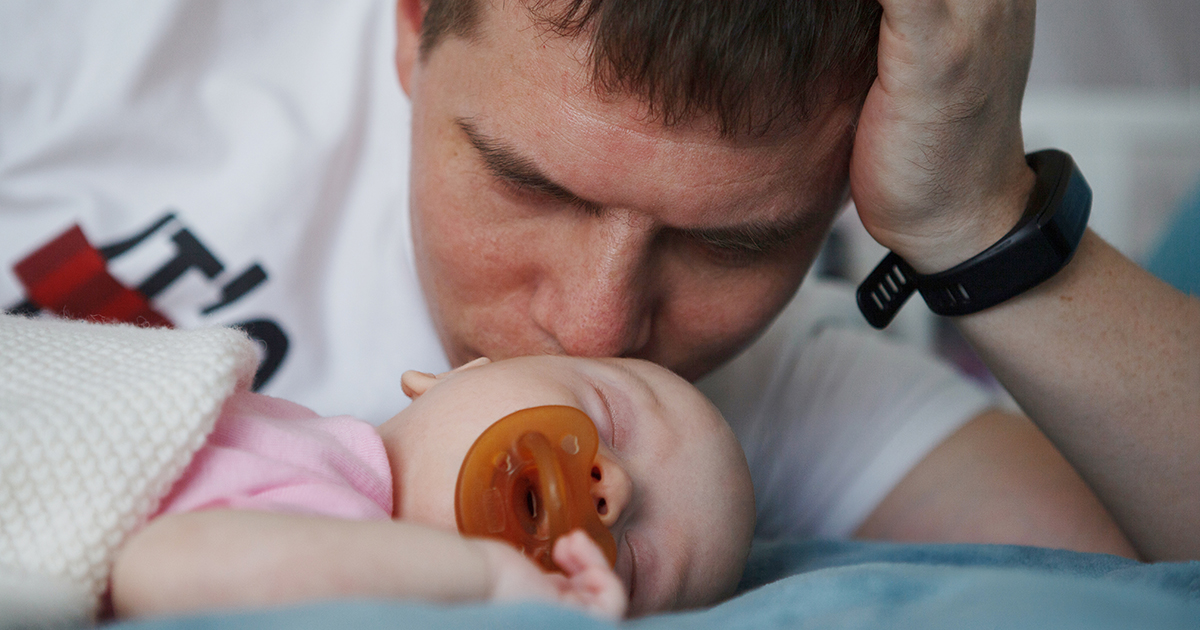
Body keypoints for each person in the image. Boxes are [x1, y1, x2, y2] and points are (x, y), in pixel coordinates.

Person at [1, 0, 1197, 573]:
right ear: (414, 24)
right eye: (532, 184)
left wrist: (979, 224)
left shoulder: (727, 425)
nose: (595, 326)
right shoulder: (94, 46)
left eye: (734, 244)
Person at [90, 353, 753, 619]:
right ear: (463, 371)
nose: (616, 491)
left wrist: (488, 584)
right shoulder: (302, 445)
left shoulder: (332, 534)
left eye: (630, 567)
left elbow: (163, 567)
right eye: (607, 414)